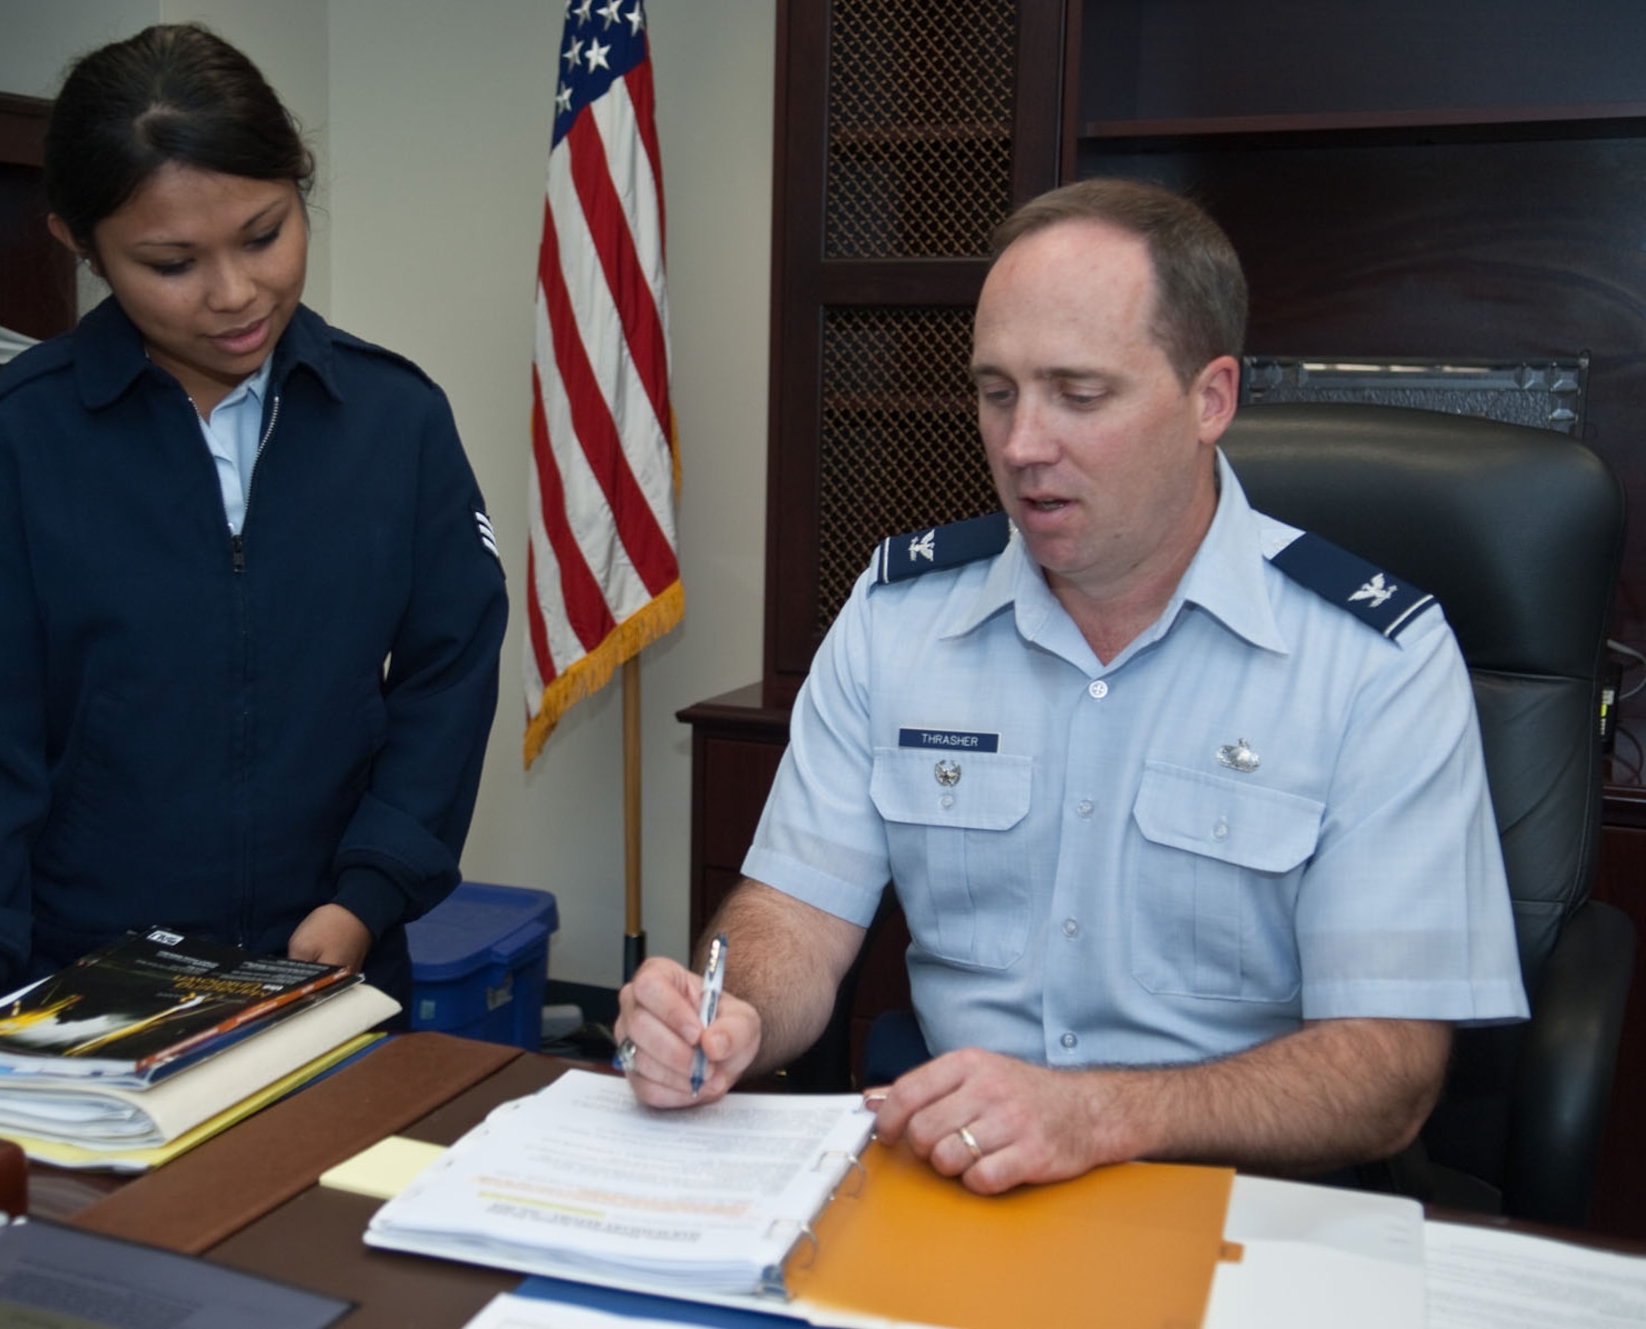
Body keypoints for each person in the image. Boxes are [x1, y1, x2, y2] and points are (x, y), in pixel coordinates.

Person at [615, 178, 1527, 1193]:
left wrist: (1096, 1115)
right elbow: (792, 914)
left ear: (1208, 400)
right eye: (995, 392)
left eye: (1078, 395)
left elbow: (1385, 1070)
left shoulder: (1372, 663)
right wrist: (728, 1008)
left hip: (1243, 1203)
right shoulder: (899, 616)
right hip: (954, 1175)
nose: (1019, 446)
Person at [0, 23, 508, 1028]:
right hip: (81, 988)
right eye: (171, 263)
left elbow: (447, 677)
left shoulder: (395, 421)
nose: (234, 295)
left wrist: (366, 896)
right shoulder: (14, 442)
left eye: (264, 235)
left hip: (332, 973)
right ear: (79, 244)